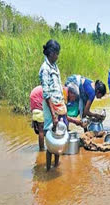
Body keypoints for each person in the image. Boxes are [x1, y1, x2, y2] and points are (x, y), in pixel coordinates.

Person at [38, 39, 69, 171]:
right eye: (56, 53)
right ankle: (48, 169)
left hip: (58, 104)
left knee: (59, 136)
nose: (58, 56)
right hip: (51, 107)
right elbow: (46, 94)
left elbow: (58, 88)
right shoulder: (45, 69)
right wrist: (53, 115)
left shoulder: (54, 66)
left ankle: (56, 166)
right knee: (51, 139)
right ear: (51, 53)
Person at [30, 85, 45, 151]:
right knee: (41, 131)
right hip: (39, 110)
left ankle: (41, 148)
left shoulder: (39, 88)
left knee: (39, 130)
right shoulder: (47, 89)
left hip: (35, 111)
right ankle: (42, 150)